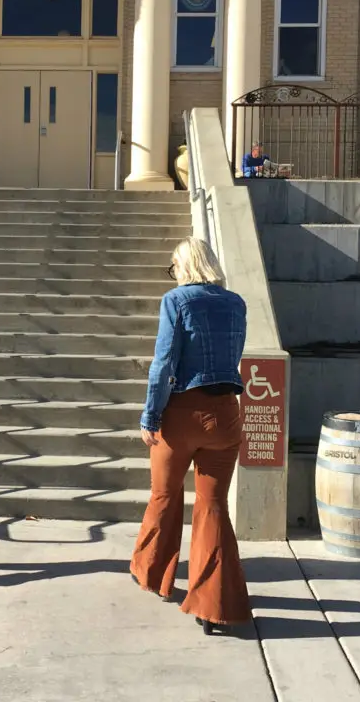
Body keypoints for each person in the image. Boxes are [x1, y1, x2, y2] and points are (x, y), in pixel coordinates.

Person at [130, 237, 251, 635]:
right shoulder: (236, 303)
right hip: (225, 413)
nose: (174, 273)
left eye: (174, 266)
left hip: (181, 412)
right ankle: (213, 605)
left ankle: (153, 575)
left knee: (165, 495)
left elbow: (164, 362)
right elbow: (233, 356)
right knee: (213, 506)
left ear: (185, 267)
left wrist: (151, 413)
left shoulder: (176, 300)